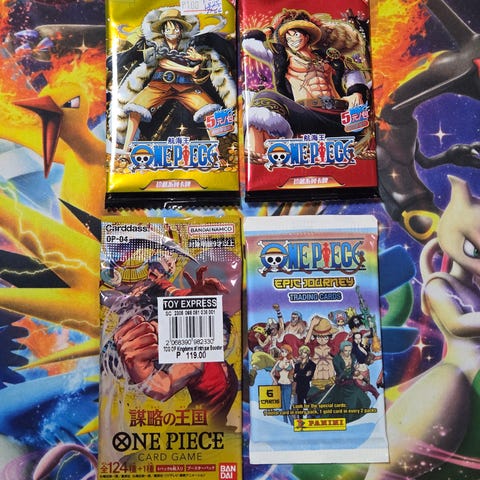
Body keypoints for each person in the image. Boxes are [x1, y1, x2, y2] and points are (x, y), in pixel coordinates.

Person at [242, 8, 369, 157]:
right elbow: (248, 43)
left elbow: (351, 70)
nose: (292, 39)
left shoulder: (327, 56)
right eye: (288, 36)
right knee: (264, 98)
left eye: (296, 34)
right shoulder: (281, 57)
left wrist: (356, 92)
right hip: (307, 116)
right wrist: (271, 29)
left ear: (307, 36)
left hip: (338, 115)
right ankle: (257, 159)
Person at [113, 8, 236, 151]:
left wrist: (200, 58)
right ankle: (126, 150)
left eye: (176, 29)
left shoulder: (190, 48)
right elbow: (164, 63)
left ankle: (215, 152)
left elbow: (202, 70)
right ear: (163, 31)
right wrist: (189, 70)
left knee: (208, 111)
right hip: (159, 85)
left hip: (186, 86)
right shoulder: (157, 48)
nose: (172, 32)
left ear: (181, 30)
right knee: (135, 109)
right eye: (168, 29)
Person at [113, 312, 238, 426]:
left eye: (224, 332)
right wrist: (138, 366)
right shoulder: (197, 361)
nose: (222, 337)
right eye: (214, 331)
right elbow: (163, 388)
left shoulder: (227, 367)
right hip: (192, 429)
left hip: (217, 431)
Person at [271, 344, 295, 423]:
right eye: (282, 351)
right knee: (283, 407)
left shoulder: (290, 361)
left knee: (287, 406)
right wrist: (275, 381)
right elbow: (271, 372)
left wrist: (292, 378)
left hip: (288, 385)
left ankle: (292, 423)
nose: (283, 353)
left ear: (288, 352)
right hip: (280, 385)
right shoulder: (279, 361)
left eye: (285, 351)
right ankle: (285, 423)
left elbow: (295, 372)